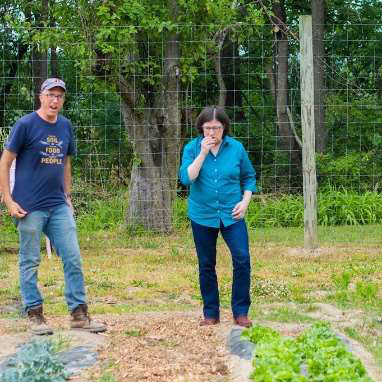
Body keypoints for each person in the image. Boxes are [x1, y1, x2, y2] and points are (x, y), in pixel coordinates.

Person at [0, 78, 106, 335]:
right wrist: (8, 200)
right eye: (51, 95)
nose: (55, 100)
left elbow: (66, 163)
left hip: (58, 204)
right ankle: (35, 314)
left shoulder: (65, 126)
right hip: (29, 206)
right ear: (41, 96)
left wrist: (67, 196)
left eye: (59, 96)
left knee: (72, 256)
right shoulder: (25, 125)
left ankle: (79, 314)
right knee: (30, 260)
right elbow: (5, 162)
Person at [179, 106, 256, 328]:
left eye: (217, 128)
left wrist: (245, 202)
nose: (212, 133)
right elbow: (187, 178)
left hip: (232, 214)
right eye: (208, 128)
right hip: (202, 214)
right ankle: (211, 313)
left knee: (242, 259)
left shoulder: (236, 148)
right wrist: (203, 153)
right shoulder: (192, 148)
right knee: (206, 264)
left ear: (224, 128)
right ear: (201, 128)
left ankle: (241, 312)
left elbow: (249, 177)